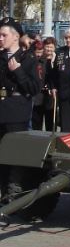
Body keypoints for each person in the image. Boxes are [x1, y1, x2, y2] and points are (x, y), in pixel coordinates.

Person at [0, 18, 41, 193]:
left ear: (16, 37)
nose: (0, 38)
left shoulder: (28, 59)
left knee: (14, 156)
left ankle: (12, 191)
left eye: (4, 35)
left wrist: (18, 71)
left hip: (16, 112)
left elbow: (34, 88)